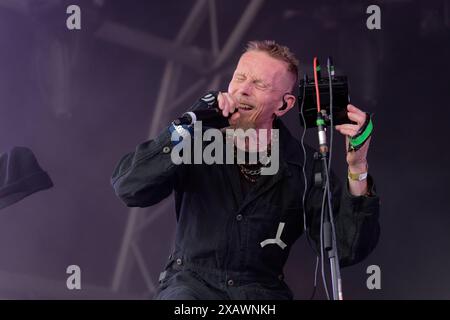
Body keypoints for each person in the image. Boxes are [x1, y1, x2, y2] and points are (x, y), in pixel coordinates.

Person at [111, 40, 380, 300]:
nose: (243, 90)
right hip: (190, 288)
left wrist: (357, 167)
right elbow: (130, 187)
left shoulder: (305, 165)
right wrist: (187, 125)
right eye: (240, 78)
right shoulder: (196, 140)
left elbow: (345, 249)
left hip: (261, 293)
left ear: (284, 105)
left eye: (260, 84)